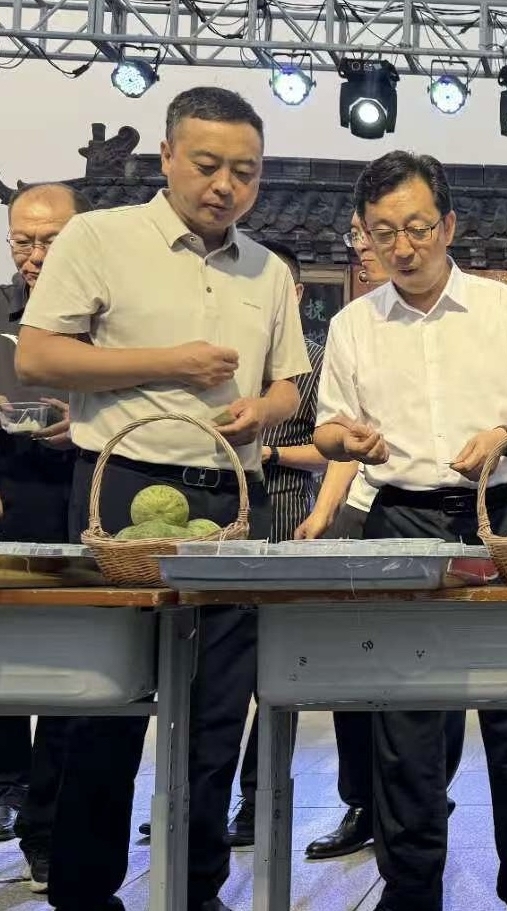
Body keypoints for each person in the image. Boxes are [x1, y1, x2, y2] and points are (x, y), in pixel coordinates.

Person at [15, 86, 310, 911]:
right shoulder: (100, 238)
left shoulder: (268, 268)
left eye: (246, 171)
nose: (226, 185)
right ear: (169, 156)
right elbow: (38, 356)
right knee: (108, 701)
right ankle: (85, 889)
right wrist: (168, 362)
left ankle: (195, 885)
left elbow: (289, 382)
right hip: (124, 489)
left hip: (234, 501)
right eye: (209, 164)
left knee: (217, 710)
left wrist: (264, 409)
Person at [313, 151, 507, 911]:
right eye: (383, 231)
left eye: (418, 227)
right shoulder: (353, 324)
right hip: (400, 519)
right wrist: (347, 442)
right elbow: (326, 429)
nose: (403, 246)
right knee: (404, 717)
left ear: (448, 225)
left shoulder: (502, 309)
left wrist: (504, 434)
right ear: (365, 234)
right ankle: (411, 885)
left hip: (501, 517)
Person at [223, 239, 330, 846]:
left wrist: (270, 453)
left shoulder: (313, 362)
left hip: (288, 520)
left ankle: (258, 800)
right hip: (224, 523)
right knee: (216, 671)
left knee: (278, 674)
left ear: (296, 294)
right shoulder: (225, 354)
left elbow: (330, 448)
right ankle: (196, 800)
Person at [289, 211, 385, 863]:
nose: (368, 249)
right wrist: (325, 513)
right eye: (362, 235)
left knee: (427, 668)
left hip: (425, 515)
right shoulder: (353, 326)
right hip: (360, 513)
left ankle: (420, 793)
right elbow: (342, 443)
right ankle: (362, 801)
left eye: (381, 234)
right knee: (355, 666)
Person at [0, 181, 88, 894]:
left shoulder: (105, 321)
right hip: (8, 506)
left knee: (73, 681)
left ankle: (50, 830)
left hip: (81, 506)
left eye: (50, 241)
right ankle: (9, 788)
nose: (33, 255)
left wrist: (85, 420)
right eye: (22, 241)